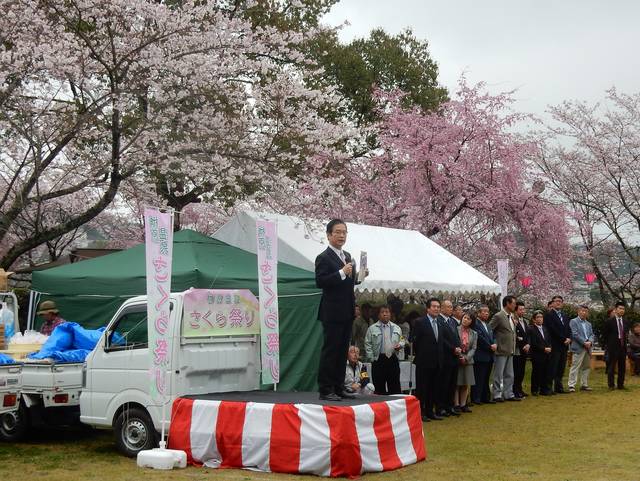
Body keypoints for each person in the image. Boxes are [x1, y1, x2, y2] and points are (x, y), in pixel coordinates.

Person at [315, 219, 367, 401]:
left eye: (344, 232)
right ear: (329, 235)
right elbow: (320, 281)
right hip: (332, 311)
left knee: (342, 351)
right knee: (331, 350)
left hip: (347, 310)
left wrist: (359, 277)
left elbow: (347, 283)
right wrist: (342, 272)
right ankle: (325, 389)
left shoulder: (347, 255)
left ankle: (339, 387)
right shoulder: (323, 257)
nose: (341, 235)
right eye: (337, 232)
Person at [411, 298, 444, 422]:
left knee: (433, 388)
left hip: (437, 361)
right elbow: (415, 340)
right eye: (434, 306)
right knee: (422, 388)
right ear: (428, 308)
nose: (436, 309)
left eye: (438, 307)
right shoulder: (420, 322)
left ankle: (430, 411)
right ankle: (421, 412)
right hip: (424, 361)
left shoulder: (440, 322)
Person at [364, 305, 404, 395]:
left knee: (395, 387)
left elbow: (402, 340)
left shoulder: (397, 328)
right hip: (379, 359)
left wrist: (400, 345)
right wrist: (372, 358)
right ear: (378, 315)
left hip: (392, 359)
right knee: (379, 388)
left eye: (387, 312)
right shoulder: (372, 328)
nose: (385, 314)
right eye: (382, 312)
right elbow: (367, 344)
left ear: (390, 314)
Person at [490, 295, 519, 402]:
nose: (515, 305)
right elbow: (490, 329)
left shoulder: (512, 316)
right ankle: (497, 394)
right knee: (498, 373)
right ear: (507, 303)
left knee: (510, 374)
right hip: (501, 349)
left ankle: (508, 393)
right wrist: (494, 342)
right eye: (514, 303)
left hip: (510, 349)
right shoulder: (498, 316)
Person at [438, 300, 462, 416]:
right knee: (444, 383)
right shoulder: (438, 320)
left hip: (455, 357)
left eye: (451, 307)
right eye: (448, 307)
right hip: (445, 356)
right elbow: (442, 339)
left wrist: (459, 348)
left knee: (453, 383)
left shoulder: (452, 321)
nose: (450, 309)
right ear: (442, 308)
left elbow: (457, 336)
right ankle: (441, 406)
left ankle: (450, 405)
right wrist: (453, 348)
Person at [544, 295, 571, 394]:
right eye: (556, 301)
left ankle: (559, 387)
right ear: (553, 303)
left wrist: (569, 338)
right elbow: (552, 330)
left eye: (560, 301)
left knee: (561, 367)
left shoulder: (565, 315)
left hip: (564, 345)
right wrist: (563, 338)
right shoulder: (549, 315)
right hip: (555, 344)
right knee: (552, 367)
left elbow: (568, 328)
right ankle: (548, 388)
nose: (558, 303)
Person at [471, 305, 496, 405]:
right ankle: (476, 397)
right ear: (478, 313)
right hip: (480, 355)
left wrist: (495, 343)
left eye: (488, 311)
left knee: (486, 377)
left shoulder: (488, 325)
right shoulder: (475, 324)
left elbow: (493, 336)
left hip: (489, 355)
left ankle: (485, 397)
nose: (486, 313)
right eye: (484, 311)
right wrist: (490, 346)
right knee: (479, 377)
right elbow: (480, 339)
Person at [568, 304, 594, 392]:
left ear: (587, 313)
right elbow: (574, 334)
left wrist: (590, 342)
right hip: (579, 347)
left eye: (586, 311)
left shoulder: (588, 324)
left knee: (586, 367)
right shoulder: (573, 321)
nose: (584, 313)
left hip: (588, 347)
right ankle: (571, 385)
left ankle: (584, 384)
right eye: (582, 311)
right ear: (578, 312)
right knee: (575, 366)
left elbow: (591, 334)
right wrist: (584, 342)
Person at [602, 301, 628, 390]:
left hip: (622, 347)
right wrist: (607, 346)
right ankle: (611, 385)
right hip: (612, 347)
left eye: (623, 309)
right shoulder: (609, 321)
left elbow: (625, 334)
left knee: (622, 367)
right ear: (615, 310)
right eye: (620, 308)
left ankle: (620, 385)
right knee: (611, 367)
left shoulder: (625, 321)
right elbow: (605, 335)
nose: (622, 310)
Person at [455, 312, 477, 413]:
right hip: (457, 358)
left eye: (468, 318)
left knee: (465, 383)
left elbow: (474, 348)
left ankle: (464, 404)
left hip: (468, 360)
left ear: (471, 321)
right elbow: (454, 343)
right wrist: (460, 356)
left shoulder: (474, 333)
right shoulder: (456, 329)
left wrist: (467, 358)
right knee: (457, 383)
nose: (465, 320)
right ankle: (456, 404)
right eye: (464, 317)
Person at [528, 310, 553, 396]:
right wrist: (543, 349)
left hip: (547, 354)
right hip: (537, 354)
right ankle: (534, 389)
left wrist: (549, 347)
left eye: (541, 317)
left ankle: (544, 389)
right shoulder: (531, 329)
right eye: (538, 317)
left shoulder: (545, 329)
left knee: (546, 372)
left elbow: (549, 340)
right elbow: (533, 343)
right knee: (537, 373)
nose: (540, 319)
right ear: (534, 319)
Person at [512, 301, 530, 399]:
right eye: (520, 309)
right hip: (517, 349)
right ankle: (515, 390)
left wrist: (528, 344)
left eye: (523, 309)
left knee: (522, 371)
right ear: (516, 310)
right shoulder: (514, 321)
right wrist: (522, 344)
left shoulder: (524, 321)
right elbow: (516, 336)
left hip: (525, 349)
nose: (522, 311)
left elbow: (527, 335)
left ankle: (520, 389)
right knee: (516, 371)